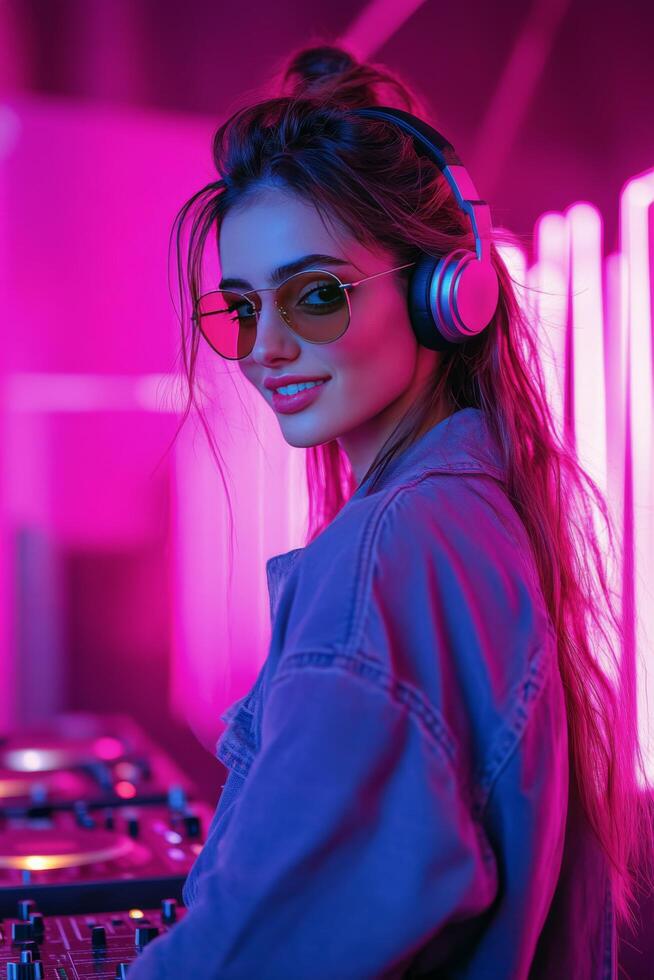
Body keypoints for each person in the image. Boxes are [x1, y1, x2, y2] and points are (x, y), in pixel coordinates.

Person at [126, 44, 652, 979]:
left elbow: (251, 955)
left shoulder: (393, 556)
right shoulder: (474, 518)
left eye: (316, 295)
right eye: (242, 309)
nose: (265, 350)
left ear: (446, 293)